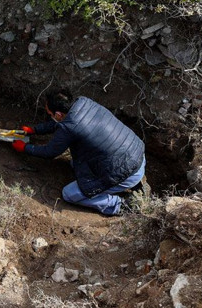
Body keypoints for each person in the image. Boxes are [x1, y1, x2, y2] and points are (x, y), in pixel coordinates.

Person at [11, 88, 146, 216]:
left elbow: (49, 152)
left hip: (124, 172)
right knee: (75, 164)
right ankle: (136, 184)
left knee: (70, 194)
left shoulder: (69, 127)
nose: (50, 116)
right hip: (137, 155)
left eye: (50, 114)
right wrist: (35, 130)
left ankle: (122, 205)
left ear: (58, 114)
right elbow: (61, 122)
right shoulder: (84, 102)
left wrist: (25, 148)